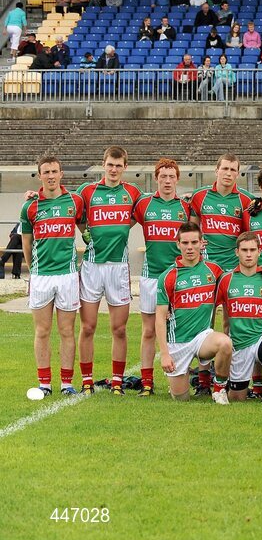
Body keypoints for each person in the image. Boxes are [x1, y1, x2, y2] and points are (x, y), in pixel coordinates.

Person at [75, 147, 143, 395]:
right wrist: (86, 233)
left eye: (118, 165)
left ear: (125, 167)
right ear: (103, 165)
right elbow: (74, 213)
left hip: (118, 267)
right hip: (92, 267)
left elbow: (145, 209)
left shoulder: (132, 193)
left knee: (119, 329)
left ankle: (117, 382)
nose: (114, 169)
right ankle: (86, 381)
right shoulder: (87, 191)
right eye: (110, 165)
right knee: (89, 326)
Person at [21, 156, 85, 396]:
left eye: (54, 171)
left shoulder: (74, 201)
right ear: (40, 176)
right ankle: (44, 384)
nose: (50, 175)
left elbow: (85, 228)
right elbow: (27, 244)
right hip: (41, 277)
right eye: (46, 172)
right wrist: (33, 269)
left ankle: (67, 384)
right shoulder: (30, 206)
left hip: (67, 275)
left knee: (67, 331)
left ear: (61, 174)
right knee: (42, 331)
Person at [155, 222, 233, 404]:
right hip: (178, 342)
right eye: (185, 243)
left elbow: (236, 279)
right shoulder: (168, 276)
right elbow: (159, 318)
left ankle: (219, 389)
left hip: (202, 338)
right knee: (181, 399)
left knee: (225, 343)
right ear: (178, 244)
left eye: (194, 242)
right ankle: (175, 383)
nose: (190, 247)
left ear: (201, 243)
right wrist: (165, 354)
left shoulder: (214, 271)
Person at [135, 163, 195, 391]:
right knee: (149, 330)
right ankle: (147, 383)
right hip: (151, 276)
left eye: (171, 176)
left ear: (177, 179)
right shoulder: (144, 204)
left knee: (181, 331)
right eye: (163, 176)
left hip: (179, 277)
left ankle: (184, 379)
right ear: (156, 178)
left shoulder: (185, 207)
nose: (167, 180)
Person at [216, 232, 262, 402]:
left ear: (259, 252)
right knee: (237, 398)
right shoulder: (226, 279)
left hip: (261, 337)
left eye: (252, 250)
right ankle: (227, 383)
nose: (248, 254)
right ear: (236, 252)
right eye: (244, 250)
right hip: (239, 344)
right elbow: (209, 308)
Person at [188, 153, 254, 272]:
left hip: (234, 263)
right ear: (216, 171)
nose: (228, 173)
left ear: (238, 174)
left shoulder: (247, 199)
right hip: (206, 262)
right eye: (225, 168)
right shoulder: (199, 195)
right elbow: (192, 228)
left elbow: (249, 233)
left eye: (233, 170)